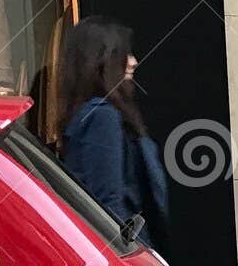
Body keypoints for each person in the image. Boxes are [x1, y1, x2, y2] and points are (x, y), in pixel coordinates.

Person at [57, 16, 169, 253]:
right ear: (102, 62)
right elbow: (109, 206)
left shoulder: (88, 115)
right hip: (128, 252)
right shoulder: (102, 116)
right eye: (124, 55)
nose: (133, 62)